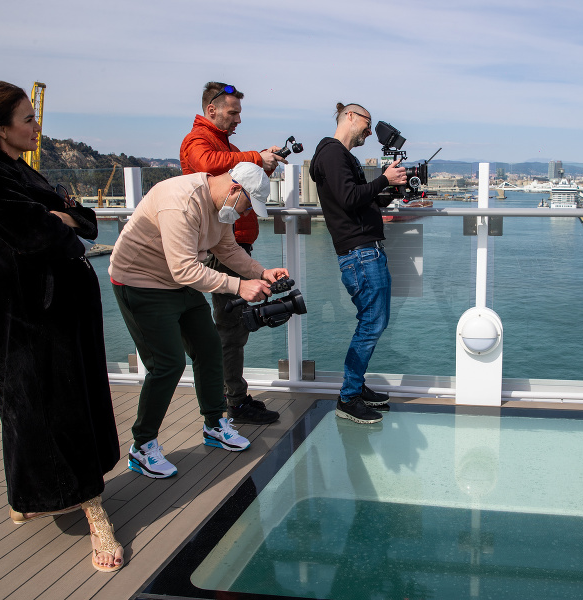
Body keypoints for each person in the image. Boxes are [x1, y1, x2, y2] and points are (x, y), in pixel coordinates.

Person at [0, 80, 123, 572]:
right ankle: (94, 512)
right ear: (0, 128)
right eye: (27, 119)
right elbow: (37, 236)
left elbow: (84, 222)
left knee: (53, 402)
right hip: (32, 318)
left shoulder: (20, 173)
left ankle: (27, 494)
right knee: (46, 406)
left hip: (61, 312)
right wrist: (57, 220)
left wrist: (61, 219)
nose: (35, 125)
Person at [109, 162, 289, 478]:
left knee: (209, 349)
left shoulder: (220, 207)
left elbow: (228, 250)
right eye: (248, 205)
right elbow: (184, 269)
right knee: (167, 364)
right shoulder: (182, 201)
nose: (246, 213)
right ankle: (142, 446)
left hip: (175, 282)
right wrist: (239, 286)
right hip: (140, 282)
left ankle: (214, 424)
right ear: (235, 189)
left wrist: (260, 272)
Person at [180, 81, 284, 425]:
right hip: (220, 248)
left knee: (233, 326)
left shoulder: (225, 145)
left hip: (230, 245)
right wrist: (255, 156)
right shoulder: (199, 141)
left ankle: (231, 396)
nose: (238, 118)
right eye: (232, 111)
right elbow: (208, 163)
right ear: (212, 109)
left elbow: (230, 167)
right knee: (231, 327)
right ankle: (233, 401)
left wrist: (262, 167)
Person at [309, 103, 407, 424]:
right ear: (349, 117)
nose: (369, 131)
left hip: (365, 250)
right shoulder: (333, 154)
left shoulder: (341, 156)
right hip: (360, 252)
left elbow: (361, 199)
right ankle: (349, 396)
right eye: (367, 124)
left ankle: (356, 386)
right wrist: (383, 179)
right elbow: (349, 197)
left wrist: (390, 188)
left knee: (373, 320)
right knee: (372, 323)